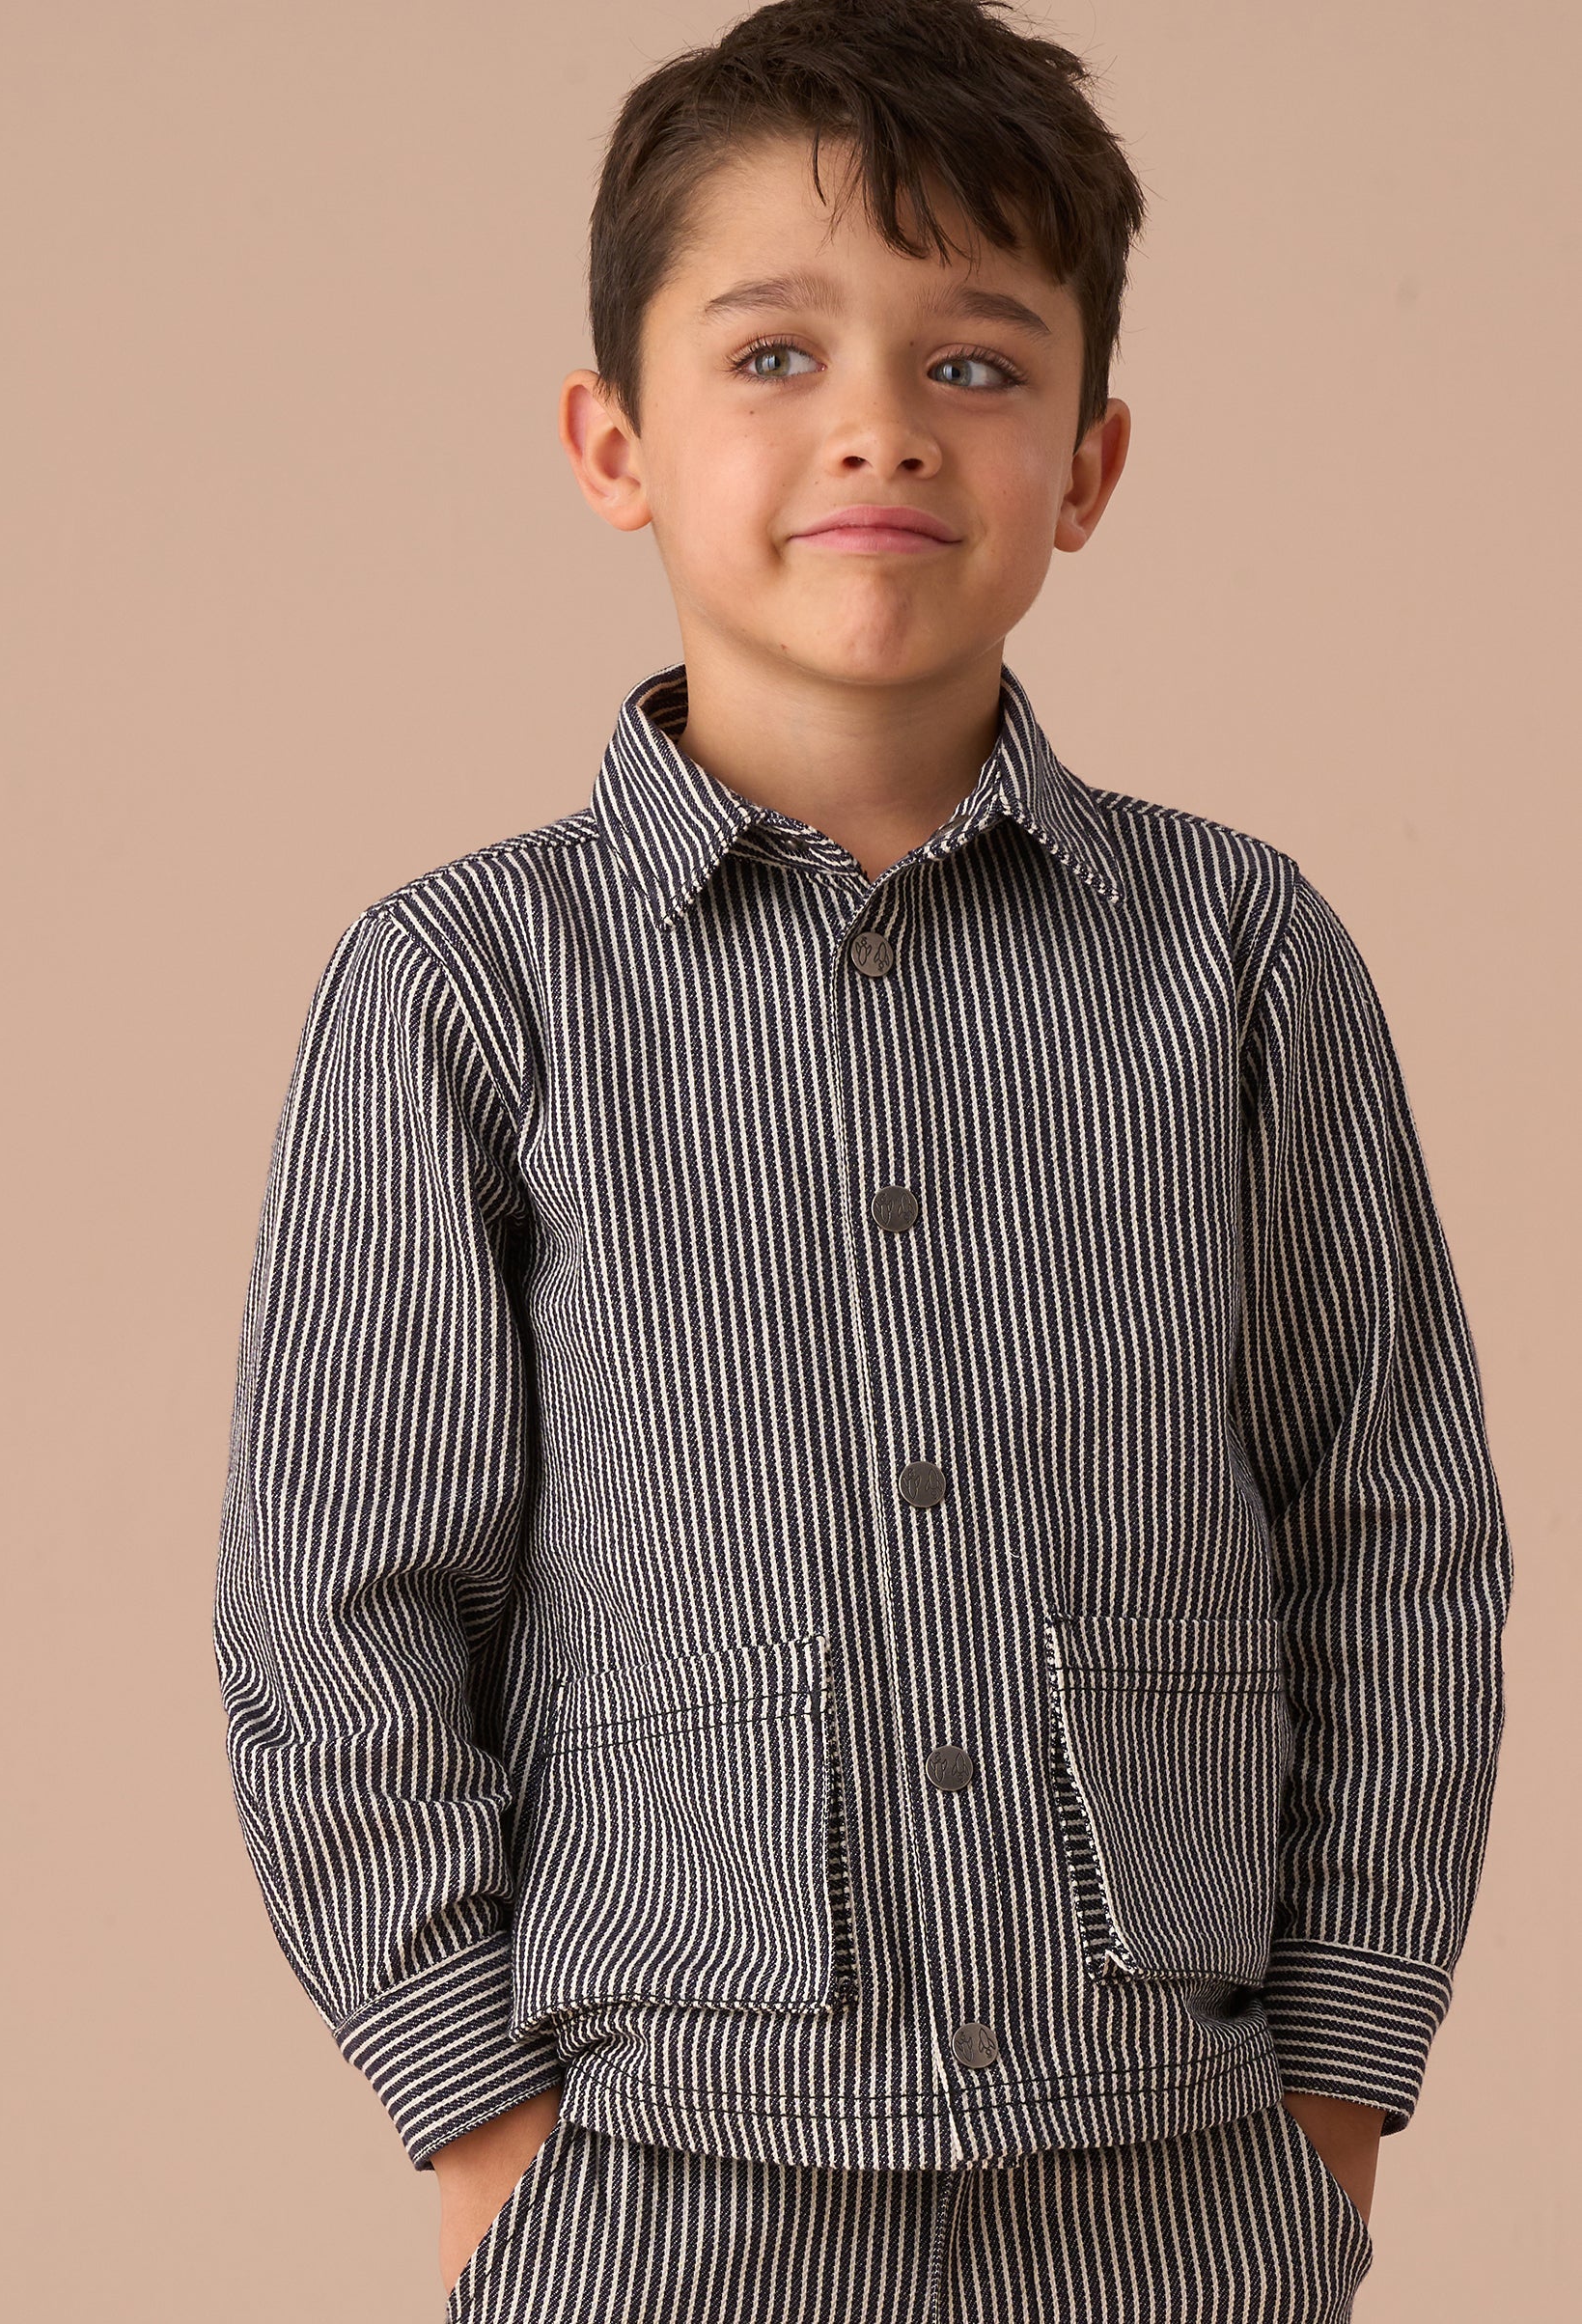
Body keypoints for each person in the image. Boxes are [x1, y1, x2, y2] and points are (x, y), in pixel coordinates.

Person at [211, 3, 1513, 2317]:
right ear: (611, 443)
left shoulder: (1237, 957)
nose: (881, 425)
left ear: (1087, 465)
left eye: (974, 364)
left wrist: (1336, 2083)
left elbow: (1391, 1530)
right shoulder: (460, 989)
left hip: (1175, 2175)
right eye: (773, 353)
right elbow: (337, 1597)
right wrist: (475, 2107)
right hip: (658, 2180)